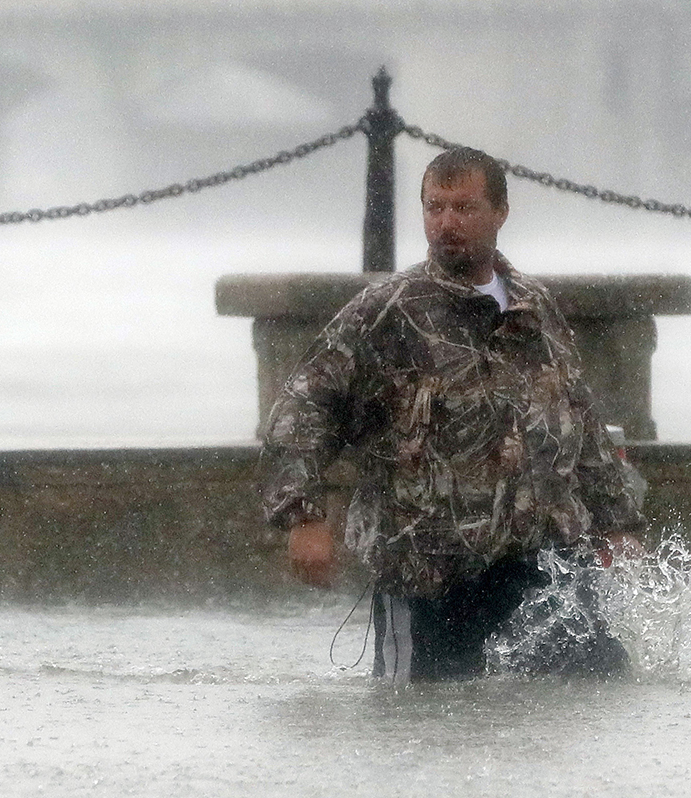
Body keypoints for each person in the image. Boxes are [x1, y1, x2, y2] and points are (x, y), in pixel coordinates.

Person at [259, 146, 645, 681]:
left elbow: (578, 421)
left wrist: (616, 523)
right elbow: (301, 410)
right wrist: (303, 516)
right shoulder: (386, 312)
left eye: (463, 209)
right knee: (421, 720)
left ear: (500, 212)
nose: (446, 224)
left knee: (592, 695)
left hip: (541, 562)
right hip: (427, 574)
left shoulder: (534, 309)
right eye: (434, 208)